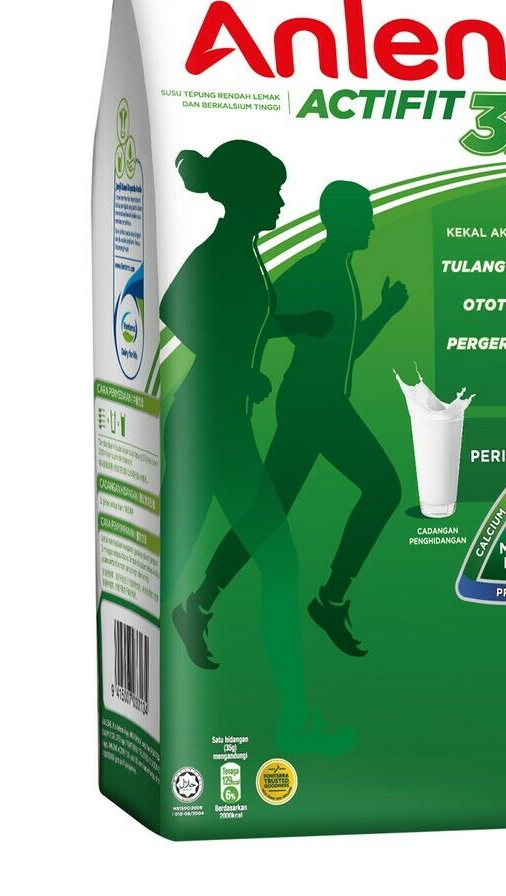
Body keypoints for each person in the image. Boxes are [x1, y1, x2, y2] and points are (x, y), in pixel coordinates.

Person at [161, 140, 349, 753]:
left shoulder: (244, 253)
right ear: (244, 197)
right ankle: (294, 722)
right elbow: (173, 308)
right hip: (209, 426)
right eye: (272, 192)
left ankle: (190, 622)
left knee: (191, 551)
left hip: (222, 426)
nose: (281, 203)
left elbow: (243, 321)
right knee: (269, 561)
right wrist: (233, 371)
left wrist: (297, 327)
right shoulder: (221, 253)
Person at [178, 180, 408, 667]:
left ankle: (198, 606)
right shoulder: (314, 270)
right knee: (384, 488)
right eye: (364, 214)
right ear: (341, 220)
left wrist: (385, 312)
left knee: (267, 515)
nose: (372, 223)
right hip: (311, 406)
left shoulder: (342, 271)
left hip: (322, 404)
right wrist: (246, 372)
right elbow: (259, 322)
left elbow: (348, 350)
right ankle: (329, 600)